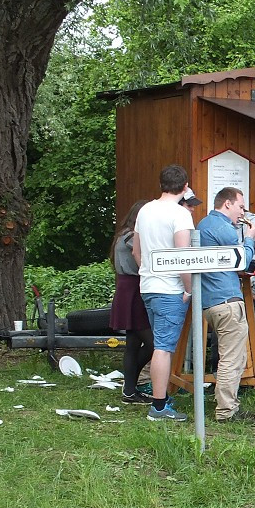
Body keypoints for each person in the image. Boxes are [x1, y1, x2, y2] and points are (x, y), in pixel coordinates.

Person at [134, 164, 195, 422]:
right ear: (184, 187)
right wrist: (189, 289)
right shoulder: (180, 214)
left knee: (161, 342)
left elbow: (136, 251)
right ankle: (159, 406)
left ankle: (161, 396)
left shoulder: (145, 210)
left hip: (148, 285)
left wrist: (149, 272)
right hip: (170, 288)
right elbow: (182, 256)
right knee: (164, 346)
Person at [196, 187, 255, 423]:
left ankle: (223, 403)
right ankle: (226, 411)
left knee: (227, 356)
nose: (242, 212)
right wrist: (250, 238)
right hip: (227, 300)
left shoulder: (203, 225)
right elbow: (241, 261)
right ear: (228, 204)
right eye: (241, 207)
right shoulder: (224, 228)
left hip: (209, 301)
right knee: (232, 358)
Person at [110, 200, 155, 405]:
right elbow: (147, 255)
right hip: (134, 289)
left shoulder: (123, 234)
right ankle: (129, 386)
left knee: (133, 343)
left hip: (127, 288)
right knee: (153, 344)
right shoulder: (130, 237)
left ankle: (129, 390)